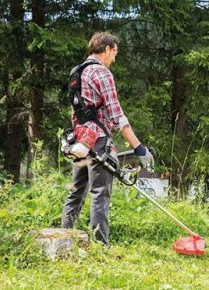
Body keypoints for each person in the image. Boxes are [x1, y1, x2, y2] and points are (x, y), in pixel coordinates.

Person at [61, 32, 154, 245]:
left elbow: (78, 111)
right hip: (99, 141)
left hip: (82, 142)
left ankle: (62, 239)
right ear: (107, 49)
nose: (115, 58)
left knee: (76, 192)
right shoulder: (102, 73)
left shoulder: (78, 72)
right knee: (100, 194)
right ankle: (101, 246)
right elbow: (116, 114)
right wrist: (138, 147)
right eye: (115, 52)